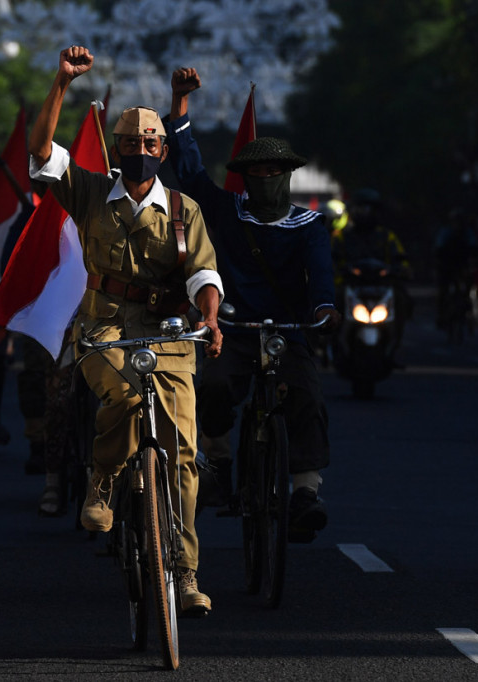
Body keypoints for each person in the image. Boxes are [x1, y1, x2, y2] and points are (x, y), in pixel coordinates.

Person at [28, 46, 224, 615]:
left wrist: (209, 317)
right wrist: (61, 84)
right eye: (131, 144)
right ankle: (104, 480)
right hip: (104, 329)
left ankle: (185, 575)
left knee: (184, 455)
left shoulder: (185, 210)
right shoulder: (90, 191)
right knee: (124, 394)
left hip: (168, 332)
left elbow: (204, 273)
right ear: (116, 149)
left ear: (163, 150)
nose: (141, 152)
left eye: (150, 144)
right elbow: (42, 152)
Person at [166, 67, 339, 540]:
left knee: (305, 394)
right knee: (217, 387)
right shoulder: (226, 210)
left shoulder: (309, 225)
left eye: (274, 172)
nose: (265, 179)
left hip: (289, 329)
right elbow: (189, 169)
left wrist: (323, 311)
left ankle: (305, 489)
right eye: (257, 173)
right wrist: (180, 104)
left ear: (288, 176)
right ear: (244, 177)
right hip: (235, 328)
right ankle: (219, 462)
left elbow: (321, 275)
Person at [333, 187, 413, 356]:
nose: (365, 213)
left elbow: (400, 258)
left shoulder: (387, 236)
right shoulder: (341, 237)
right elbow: (328, 259)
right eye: (361, 208)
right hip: (349, 286)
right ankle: (330, 344)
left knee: (402, 299)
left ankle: (394, 343)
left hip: (382, 287)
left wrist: (402, 270)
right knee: (330, 301)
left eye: (370, 209)